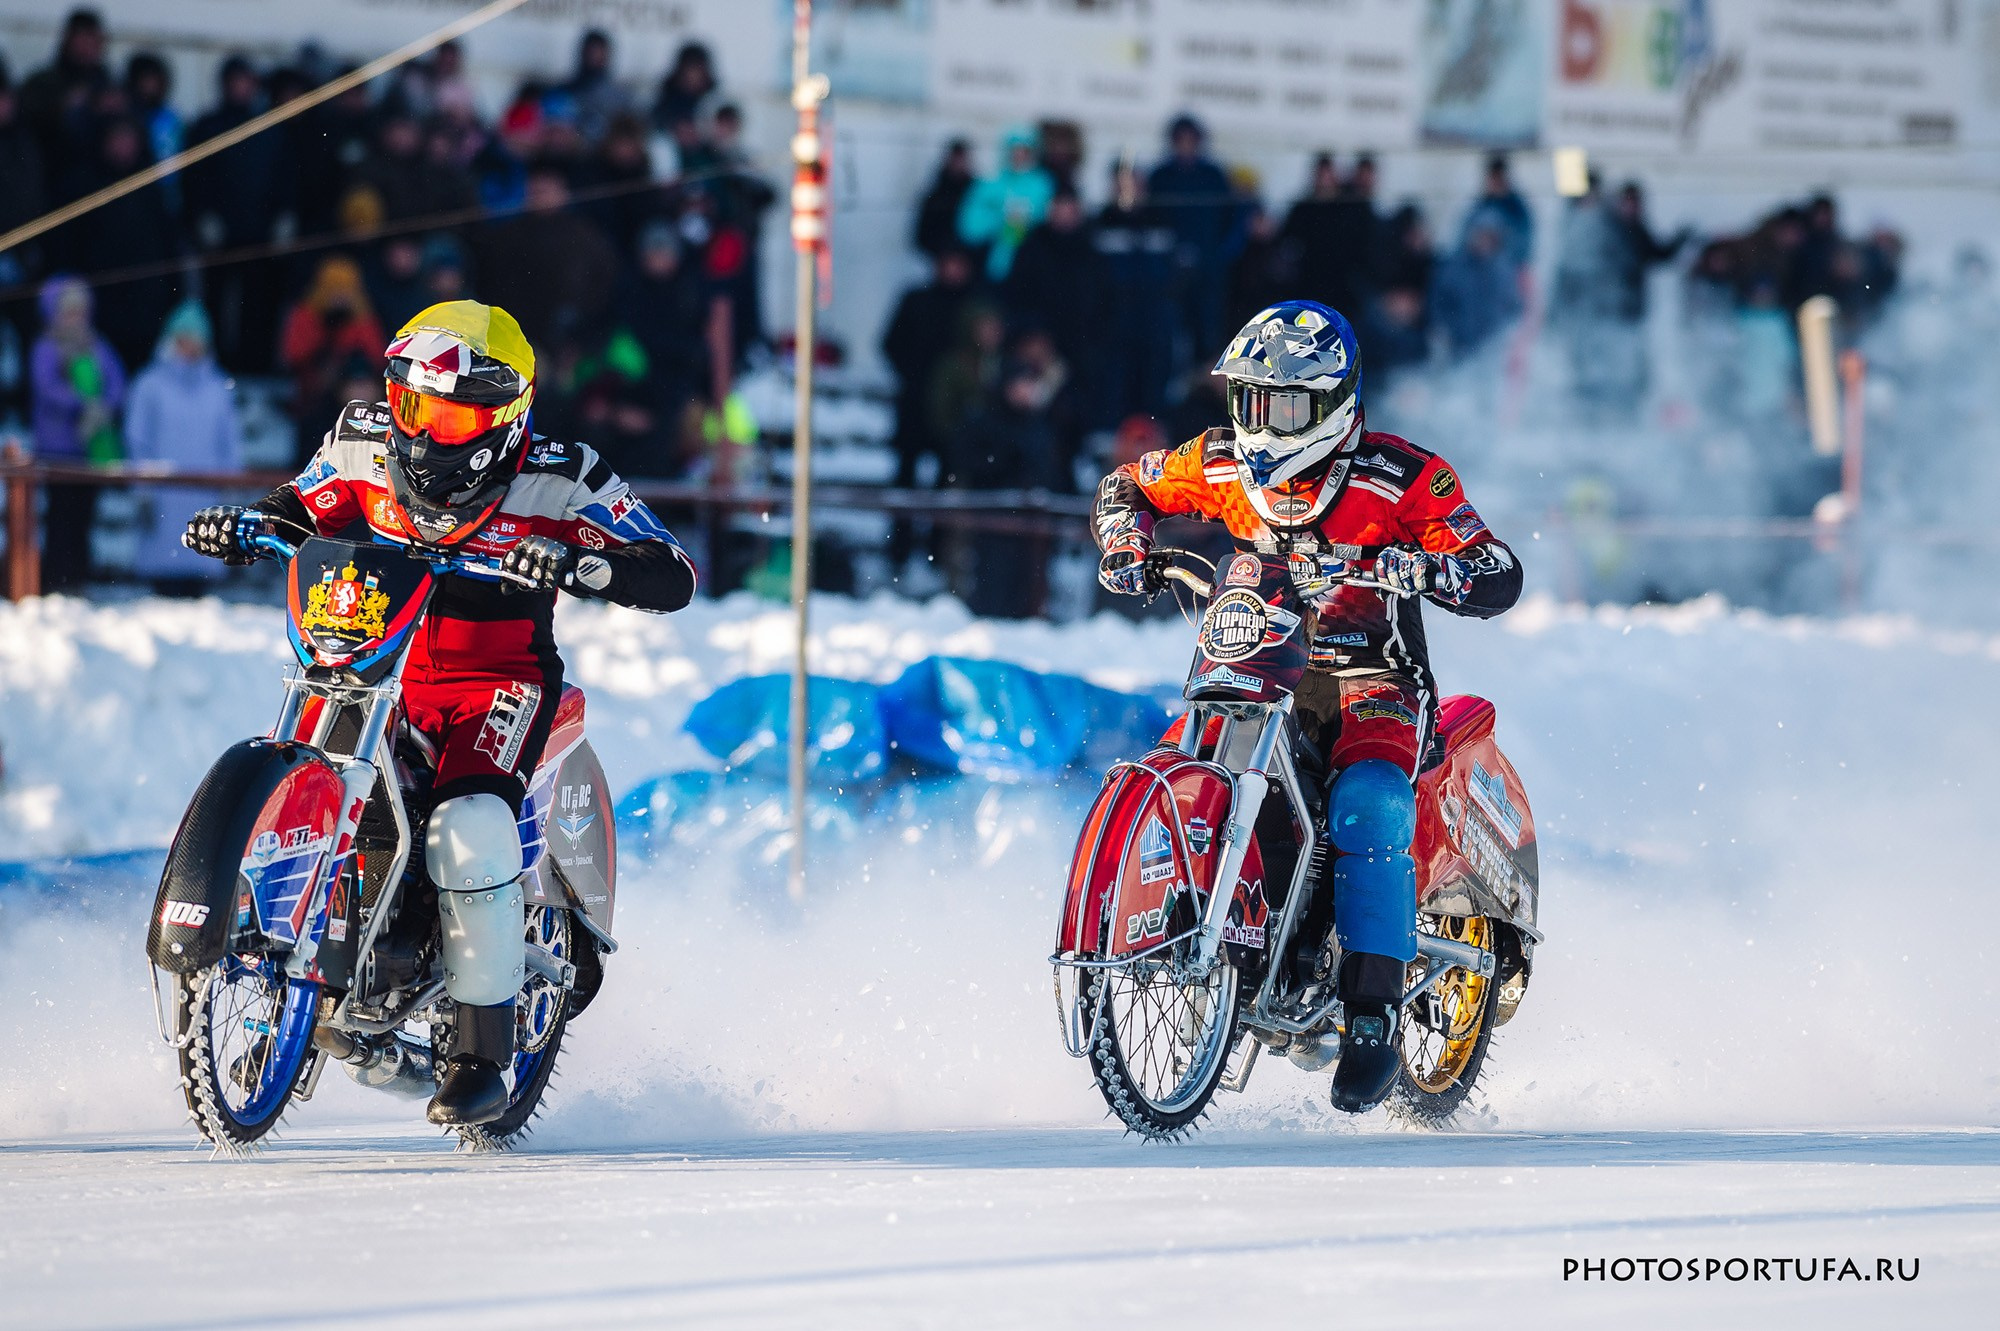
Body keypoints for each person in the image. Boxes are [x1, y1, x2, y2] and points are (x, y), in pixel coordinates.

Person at [181, 300, 697, 1124]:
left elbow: (670, 570)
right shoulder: (359, 438)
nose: (426, 430)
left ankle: (481, 1051)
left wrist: (578, 563)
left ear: (506, 414)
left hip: (498, 683)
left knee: (468, 830)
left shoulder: (565, 473)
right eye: (416, 405)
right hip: (371, 660)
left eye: (454, 413)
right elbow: (301, 504)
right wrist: (253, 524)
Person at [1090, 299, 1521, 1114]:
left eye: (1283, 404)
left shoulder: (1403, 476)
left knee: (1366, 808)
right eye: (1249, 400)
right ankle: (1188, 928)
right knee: (1189, 764)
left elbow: (1493, 565)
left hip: (1376, 682)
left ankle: (1372, 1017)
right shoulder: (1218, 464)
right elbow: (1128, 486)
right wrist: (1127, 543)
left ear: (1335, 404)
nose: (1261, 423)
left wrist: (1437, 572)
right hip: (1256, 664)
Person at [123, 300, 241, 594]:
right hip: (163, 495)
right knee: (164, 577)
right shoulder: (148, 384)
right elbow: (137, 439)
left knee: (200, 578)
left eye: (197, 339)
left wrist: (232, 487)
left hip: (206, 494)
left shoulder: (218, 387)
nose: (190, 346)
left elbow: (230, 441)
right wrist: (143, 489)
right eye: (184, 338)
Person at [29, 275, 125, 593]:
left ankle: (79, 574)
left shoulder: (96, 344)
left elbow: (116, 380)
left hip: (91, 447)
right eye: (70, 310)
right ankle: (56, 576)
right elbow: (47, 388)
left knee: (84, 514)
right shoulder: (47, 347)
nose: (77, 317)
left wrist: (102, 407)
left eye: (81, 310)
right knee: (60, 516)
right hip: (57, 448)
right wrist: (81, 404)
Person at [281, 256, 385, 463]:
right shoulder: (306, 315)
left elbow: (376, 357)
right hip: (312, 402)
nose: (340, 293)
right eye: (334, 286)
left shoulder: (363, 318)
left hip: (350, 403)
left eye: (346, 287)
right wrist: (325, 329)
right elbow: (292, 355)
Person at [956, 126, 1054, 283]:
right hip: (987, 260)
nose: (1019, 156)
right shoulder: (989, 184)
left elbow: (1047, 218)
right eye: (1015, 151)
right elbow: (970, 225)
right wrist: (1001, 220)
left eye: (1025, 151)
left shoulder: (1042, 184)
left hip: (1031, 262)